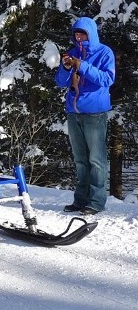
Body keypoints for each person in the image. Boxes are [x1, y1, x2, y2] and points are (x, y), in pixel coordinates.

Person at [55, 16, 115, 216]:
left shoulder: (105, 52)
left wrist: (83, 66)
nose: (79, 38)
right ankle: (80, 200)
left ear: (91, 33)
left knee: (96, 160)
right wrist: (65, 67)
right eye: (76, 34)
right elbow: (60, 82)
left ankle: (96, 202)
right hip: (74, 113)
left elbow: (107, 79)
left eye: (83, 34)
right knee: (80, 160)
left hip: (95, 114)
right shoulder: (72, 53)